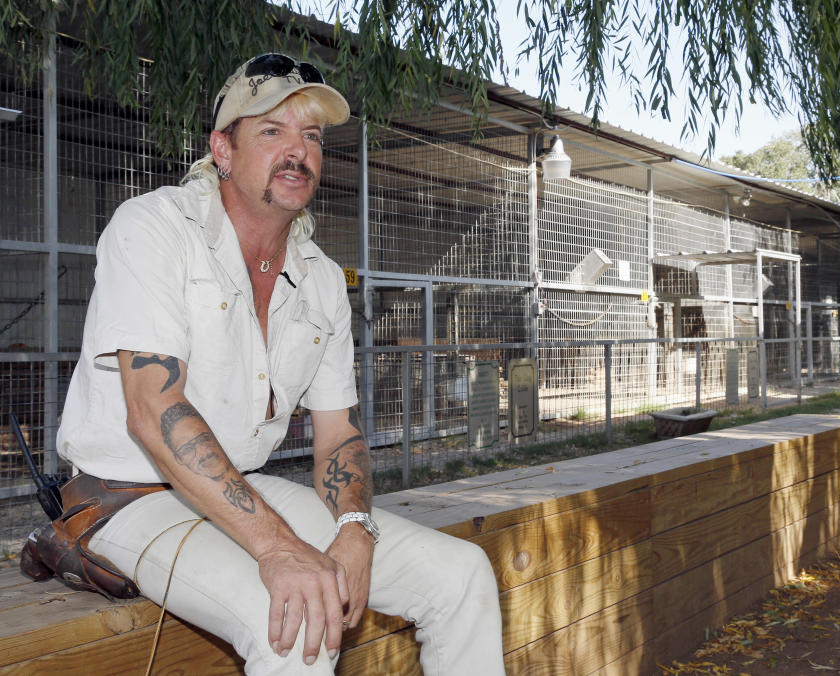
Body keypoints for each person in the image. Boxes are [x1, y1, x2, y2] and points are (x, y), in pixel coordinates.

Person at [56, 53, 505, 675]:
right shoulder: (154, 227)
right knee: (296, 624)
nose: (298, 151)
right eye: (272, 131)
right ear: (223, 149)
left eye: (312, 136)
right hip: (128, 497)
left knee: (462, 576)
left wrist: (352, 526)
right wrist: (278, 549)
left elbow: (339, 433)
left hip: (242, 484)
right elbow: (153, 410)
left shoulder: (320, 277)